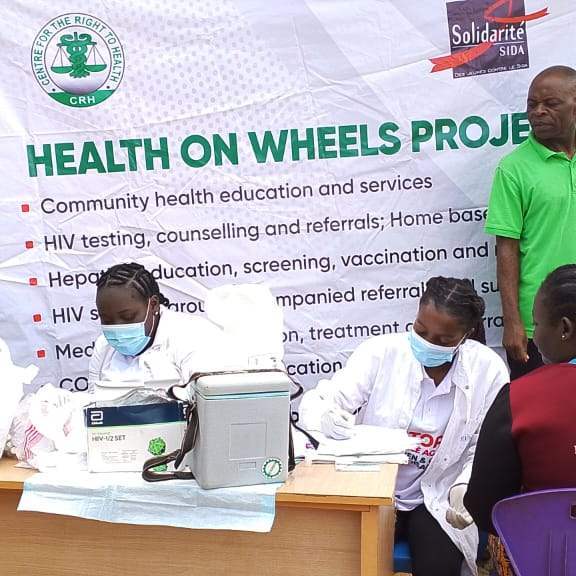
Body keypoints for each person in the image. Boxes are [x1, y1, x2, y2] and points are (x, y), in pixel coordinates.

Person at [299, 277, 509, 576]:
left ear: (466, 335)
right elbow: (324, 400)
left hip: (438, 494)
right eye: (421, 331)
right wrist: (326, 416)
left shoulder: (487, 370)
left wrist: (464, 486)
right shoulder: (381, 353)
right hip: (375, 489)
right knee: (345, 562)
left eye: (444, 340)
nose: (428, 343)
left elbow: (484, 444)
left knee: (438, 567)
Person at [464, 264, 576, 574]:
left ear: (565, 329)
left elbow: (484, 506)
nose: (533, 335)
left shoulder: (518, 398)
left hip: (545, 560)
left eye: (536, 323)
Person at [485, 65, 576, 380]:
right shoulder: (513, 169)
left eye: (551, 104)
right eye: (532, 104)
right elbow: (506, 249)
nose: (538, 112)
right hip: (542, 325)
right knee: (543, 406)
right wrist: (513, 322)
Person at [89, 262, 222, 391]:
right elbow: (93, 398)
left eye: (128, 317)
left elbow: (209, 396)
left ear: (153, 305)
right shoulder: (104, 345)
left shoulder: (194, 334)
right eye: (106, 319)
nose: (117, 328)